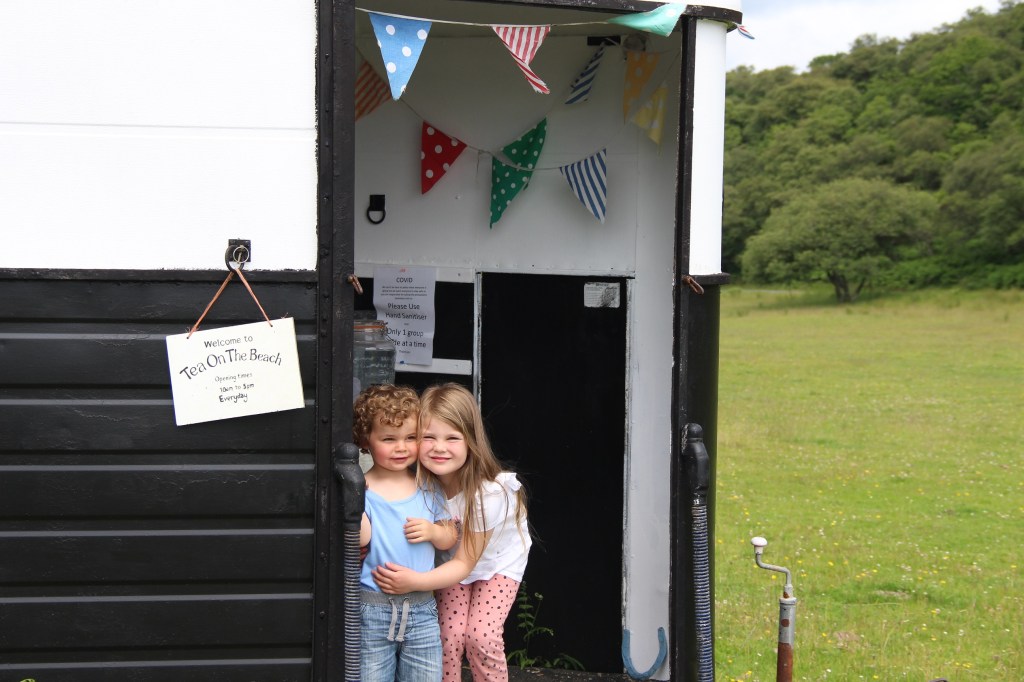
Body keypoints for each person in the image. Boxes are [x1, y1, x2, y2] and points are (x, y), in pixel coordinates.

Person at [371, 383, 532, 682]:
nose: (439, 447)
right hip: (450, 563)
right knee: (449, 635)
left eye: (452, 438)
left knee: (481, 636)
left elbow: (465, 564)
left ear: (471, 441)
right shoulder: (421, 483)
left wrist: (416, 582)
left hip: (495, 564)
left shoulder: (489, 495)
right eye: (428, 437)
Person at [355, 384, 458, 682]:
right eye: (389, 439)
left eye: (410, 438)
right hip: (373, 607)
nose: (401, 447)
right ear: (366, 440)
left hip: (422, 607)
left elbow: (450, 537)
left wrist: (433, 532)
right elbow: (361, 539)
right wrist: (354, 498)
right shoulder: (362, 489)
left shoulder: (428, 487)